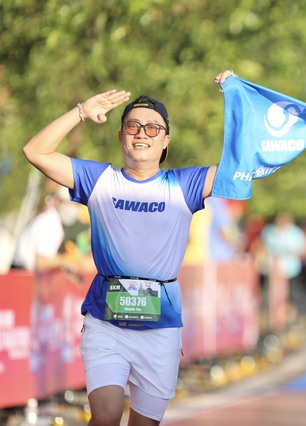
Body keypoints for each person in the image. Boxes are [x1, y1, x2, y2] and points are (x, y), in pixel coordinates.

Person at [21, 69, 235, 426]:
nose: (142, 134)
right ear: (121, 136)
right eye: (134, 126)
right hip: (107, 322)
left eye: (153, 128)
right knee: (105, 417)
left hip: (160, 326)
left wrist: (236, 97)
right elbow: (34, 151)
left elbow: (245, 167)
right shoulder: (99, 180)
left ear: (166, 141)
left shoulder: (186, 184)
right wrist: (80, 112)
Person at [12, 181, 79, 274]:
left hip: (19, 272)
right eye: (70, 204)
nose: (74, 208)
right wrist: (63, 261)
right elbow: (40, 263)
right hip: (23, 275)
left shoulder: (48, 218)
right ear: (57, 201)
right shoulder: (52, 224)